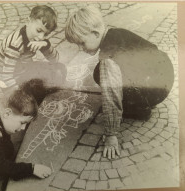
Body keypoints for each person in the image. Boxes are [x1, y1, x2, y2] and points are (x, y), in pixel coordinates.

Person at [65, 6, 174, 159]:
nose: (80, 48)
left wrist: (111, 135)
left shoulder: (108, 59)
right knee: (100, 71)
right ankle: (143, 99)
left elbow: (111, 96)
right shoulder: (115, 33)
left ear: (95, 33)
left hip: (156, 90)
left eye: (82, 43)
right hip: (164, 73)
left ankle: (141, 108)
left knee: (103, 73)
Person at [0, 5, 66, 96]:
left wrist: (45, 45)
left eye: (46, 34)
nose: (41, 37)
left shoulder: (38, 39)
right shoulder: (15, 45)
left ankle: (37, 91)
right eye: (39, 30)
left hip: (24, 69)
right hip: (8, 79)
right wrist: (18, 93)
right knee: (29, 107)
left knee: (60, 68)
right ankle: (10, 101)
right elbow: (7, 76)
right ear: (28, 21)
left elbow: (55, 60)